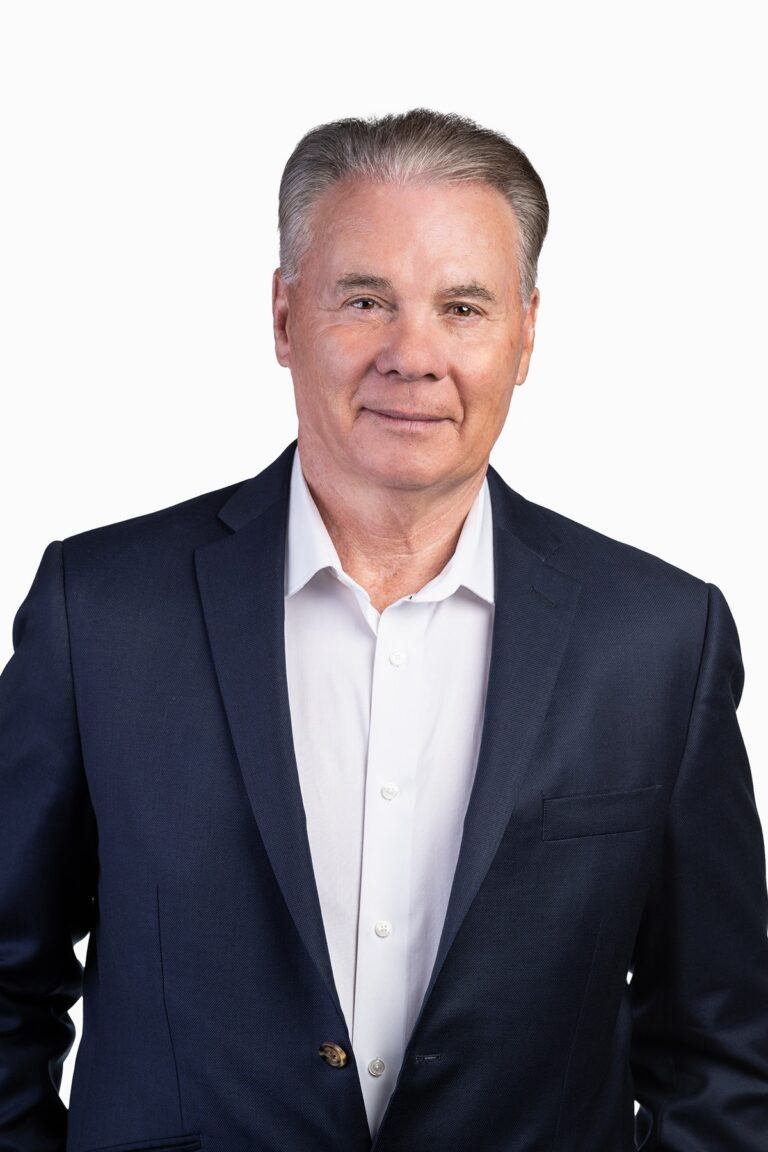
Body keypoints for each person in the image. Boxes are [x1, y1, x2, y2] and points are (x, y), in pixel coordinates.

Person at [0, 108, 766, 1152]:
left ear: (526, 335)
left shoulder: (659, 641)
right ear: (283, 316)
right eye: (366, 299)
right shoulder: (103, 612)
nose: (415, 354)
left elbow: (722, 1048)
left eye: (463, 306)